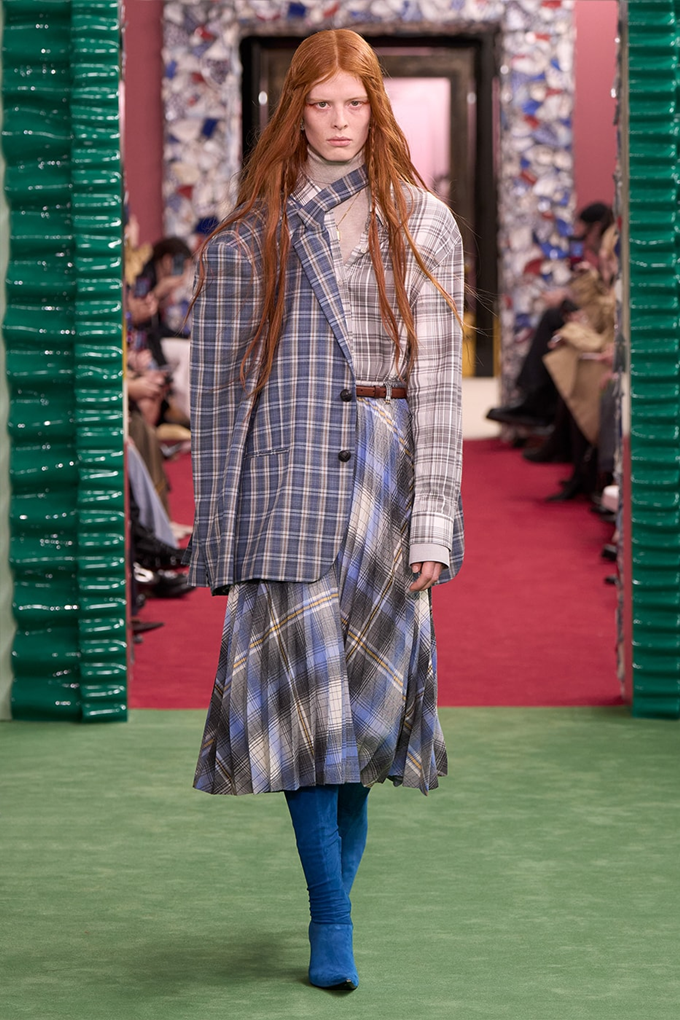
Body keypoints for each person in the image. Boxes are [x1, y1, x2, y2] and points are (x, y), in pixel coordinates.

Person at [187, 29, 464, 991]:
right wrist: (219, 531)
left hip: (387, 478)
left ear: (376, 107)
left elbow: (439, 389)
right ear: (292, 109)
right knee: (307, 712)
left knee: (364, 719)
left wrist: (434, 521)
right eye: (321, 104)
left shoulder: (425, 223)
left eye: (355, 103)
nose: (339, 122)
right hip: (285, 476)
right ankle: (331, 919)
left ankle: (331, 904)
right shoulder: (250, 233)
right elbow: (218, 396)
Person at [486, 201, 614, 429]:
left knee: (558, 328)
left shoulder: (611, 254)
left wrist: (572, 304)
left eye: (583, 234)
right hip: (604, 329)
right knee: (556, 324)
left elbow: (608, 311)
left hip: (608, 337)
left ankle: (536, 406)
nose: (583, 243)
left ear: (596, 229)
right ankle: (535, 404)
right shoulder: (607, 257)